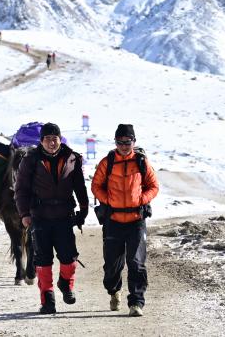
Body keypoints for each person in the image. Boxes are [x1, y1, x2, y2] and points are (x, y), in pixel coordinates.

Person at [15, 123, 89, 315]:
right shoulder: (30, 160)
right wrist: (24, 214)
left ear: (60, 139)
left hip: (64, 217)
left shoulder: (72, 158)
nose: (51, 142)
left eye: (54, 138)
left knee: (69, 258)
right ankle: (47, 300)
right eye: (47, 139)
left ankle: (65, 283)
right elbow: (21, 190)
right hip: (40, 218)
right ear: (41, 141)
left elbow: (80, 186)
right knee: (43, 260)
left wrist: (84, 208)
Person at [91, 123, 159, 317]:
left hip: (136, 220)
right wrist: (108, 200)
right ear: (115, 142)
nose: (123, 146)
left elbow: (153, 186)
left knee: (136, 262)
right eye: (119, 142)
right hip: (113, 220)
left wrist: (142, 200)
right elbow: (96, 186)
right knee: (112, 266)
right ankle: (114, 290)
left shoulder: (141, 162)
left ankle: (136, 302)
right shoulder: (107, 162)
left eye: (127, 142)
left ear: (133, 142)